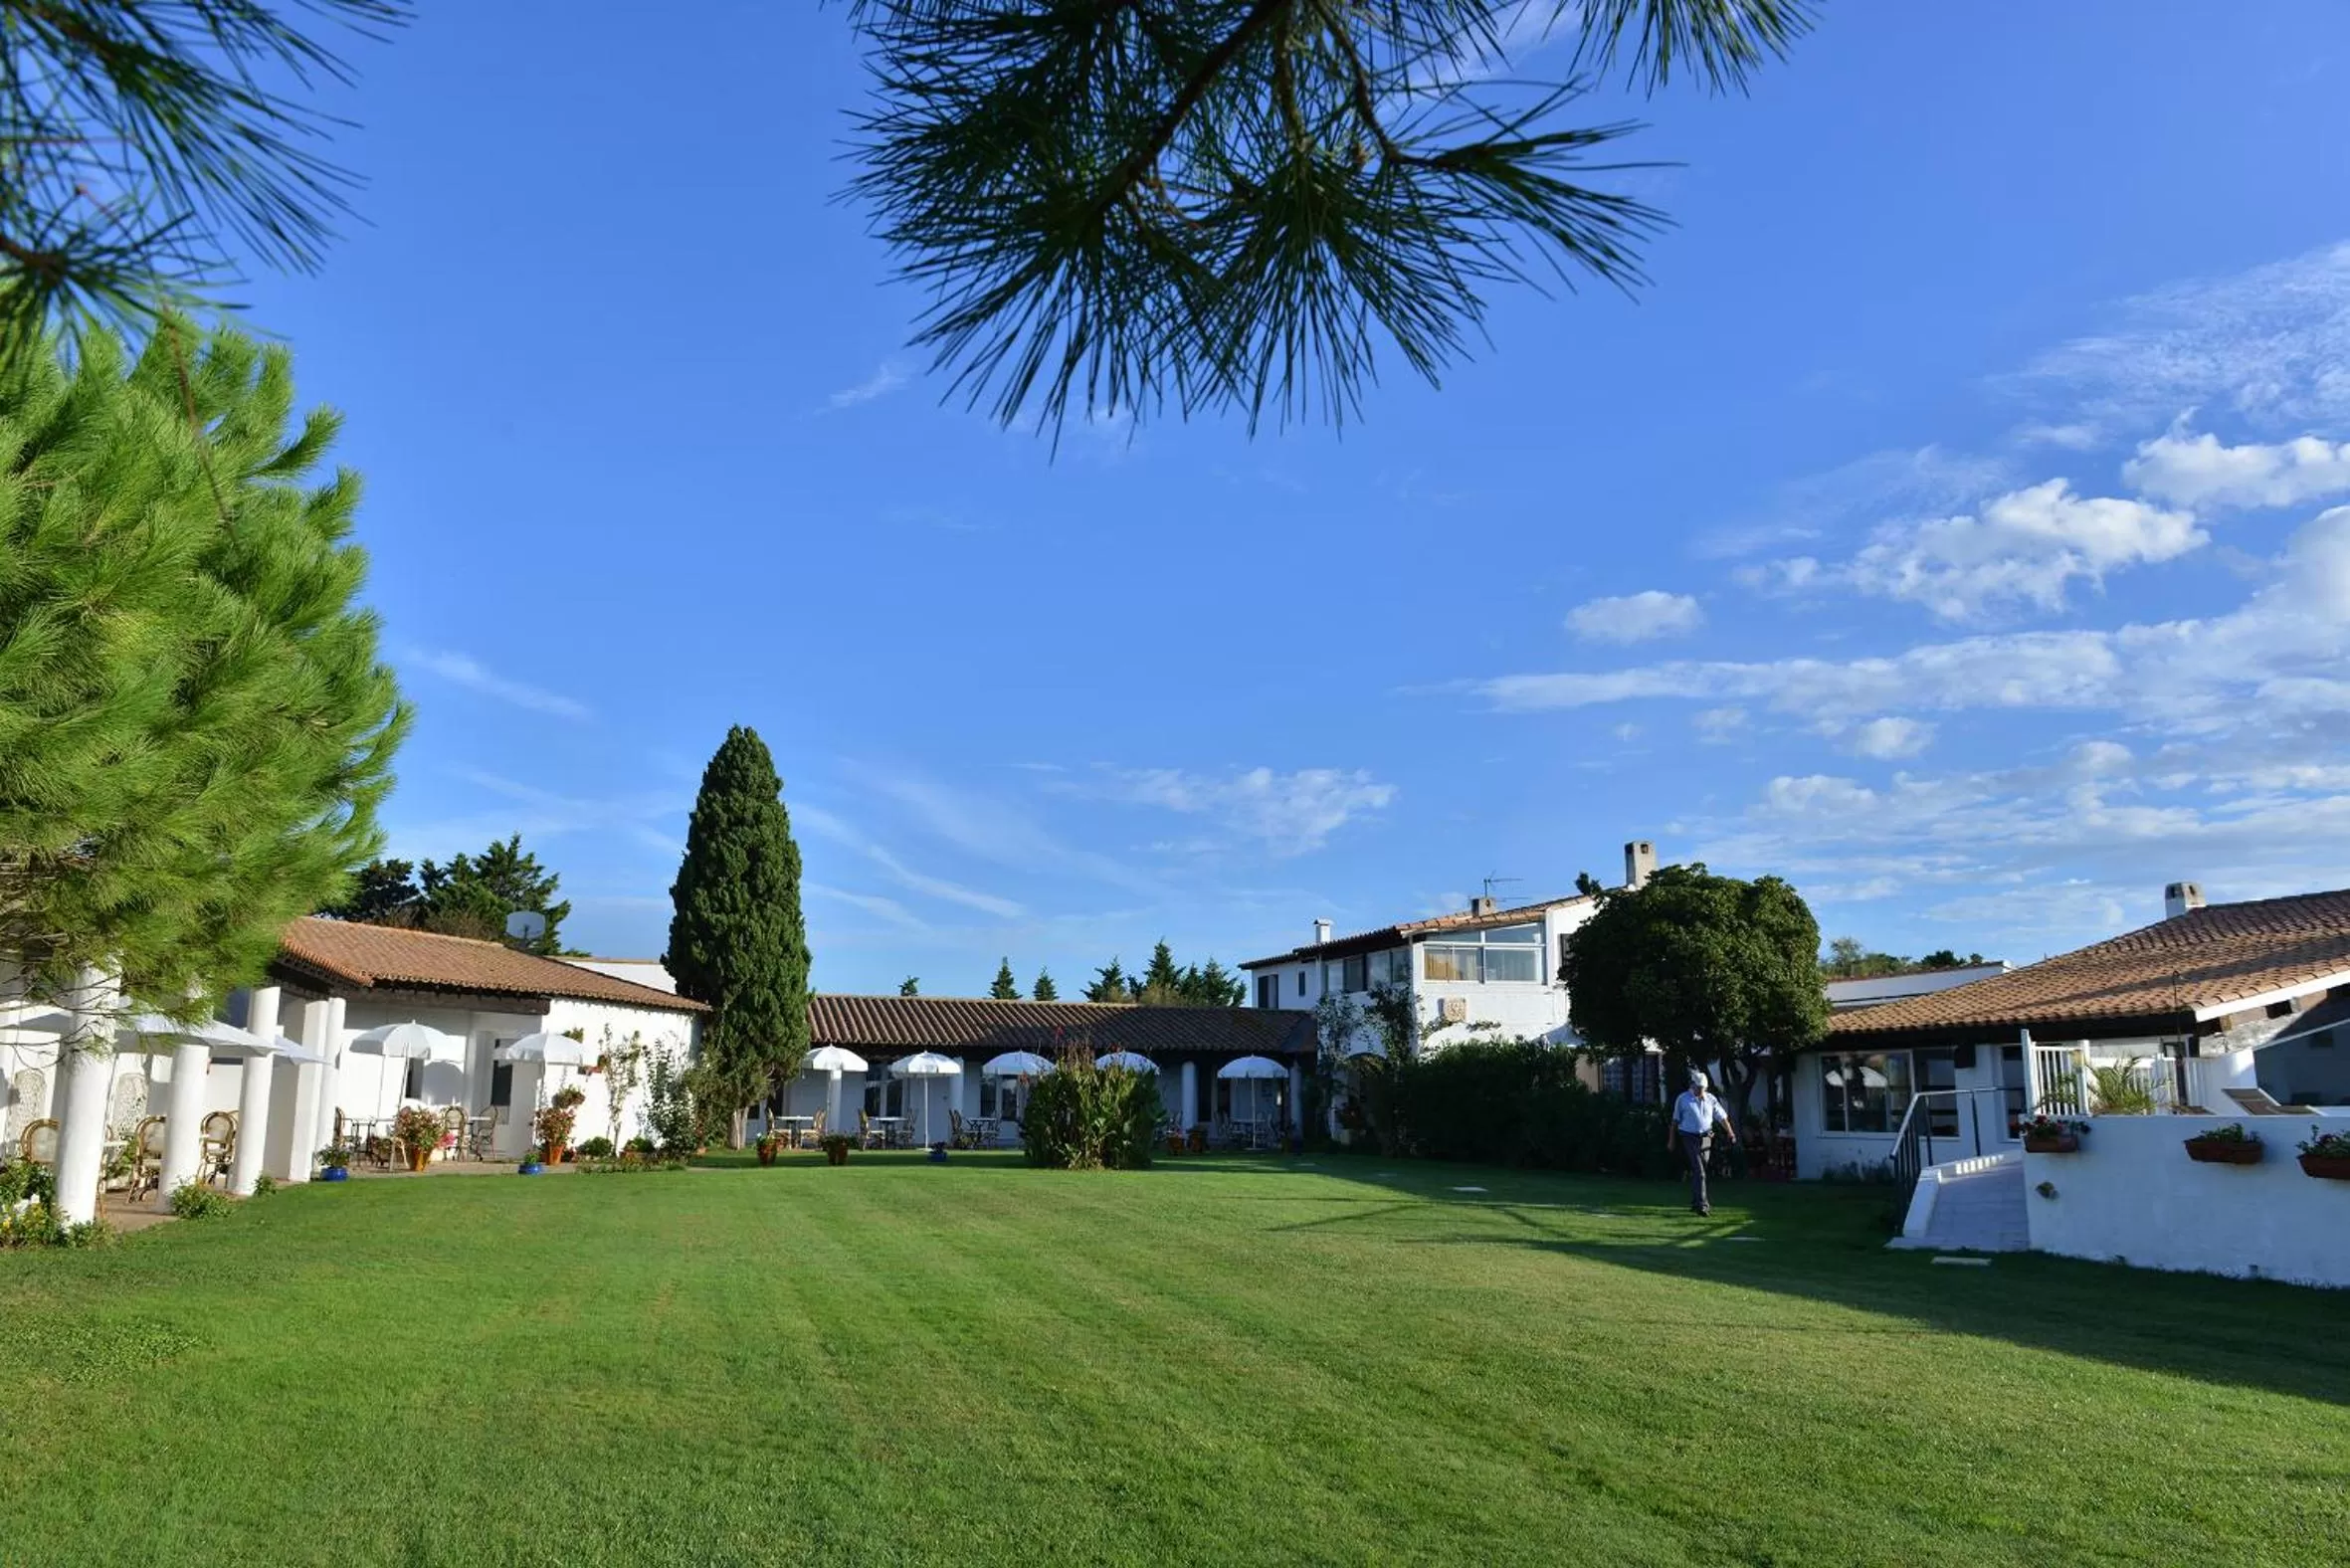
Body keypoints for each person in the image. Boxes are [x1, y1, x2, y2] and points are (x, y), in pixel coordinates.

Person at [1666, 1070, 1737, 1216]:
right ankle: (1702, 1206)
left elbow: (1722, 1117)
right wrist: (1671, 1140)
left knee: (1701, 1169)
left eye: (1703, 1089)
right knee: (1700, 1171)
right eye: (1698, 1088)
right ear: (1693, 1085)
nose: (1701, 1091)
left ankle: (1695, 1201)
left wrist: (1730, 1132)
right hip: (1688, 1136)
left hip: (1706, 1137)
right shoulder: (1683, 1099)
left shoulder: (1711, 1099)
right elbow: (1674, 1122)